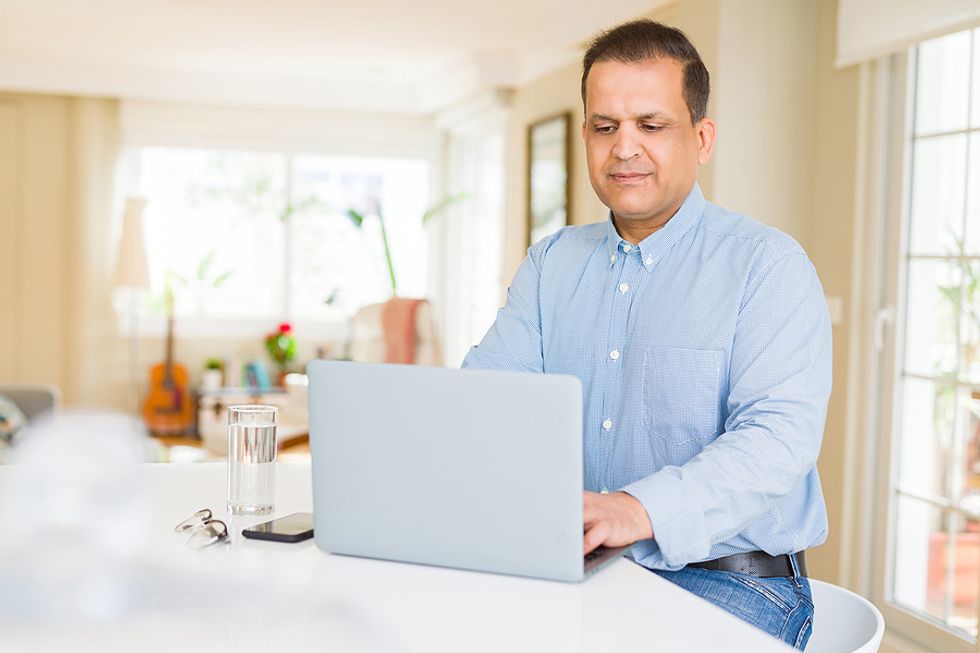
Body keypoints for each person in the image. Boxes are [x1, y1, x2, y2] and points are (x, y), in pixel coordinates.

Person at [462, 19, 830, 650]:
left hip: (732, 583)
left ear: (703, 137)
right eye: (605, 127)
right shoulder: (552, 263)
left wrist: (635, 510)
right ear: (586, 136)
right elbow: (490, 399)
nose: (624, 148)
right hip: (575, 568)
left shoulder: (767, 266)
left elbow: (777, 439)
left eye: (651, 125)